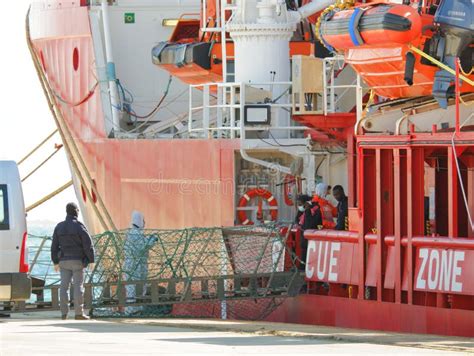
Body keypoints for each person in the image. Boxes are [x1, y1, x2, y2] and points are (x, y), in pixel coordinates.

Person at [51, 202, 94, 320]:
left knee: (64, 287)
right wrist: (91, 259)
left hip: (63, 262)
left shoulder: (59, 226)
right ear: (75, 211)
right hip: (77, 261)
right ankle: (78, 313)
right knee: (78, 286)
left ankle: (64, 313)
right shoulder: (79, 226)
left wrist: (55, 261)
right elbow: (87, 244)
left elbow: (54, 246)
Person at [123, 211, 156, 315]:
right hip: (135, 264)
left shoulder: (131, 232)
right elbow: (142, 248)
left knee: (133, 286)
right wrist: (152, 240)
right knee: (136, 286)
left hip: (132, 263)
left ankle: (134, 309)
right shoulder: (136, 233)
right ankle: (133, 309)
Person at [295, 194, 323, 269]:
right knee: (303, 261)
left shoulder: (315, 210)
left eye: (300, 204)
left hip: (313, 242)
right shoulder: (302, 212)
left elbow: (309, 225)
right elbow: (297, 220)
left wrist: (307, 210)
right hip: (304, 242)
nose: (299, 206)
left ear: (306, 203)